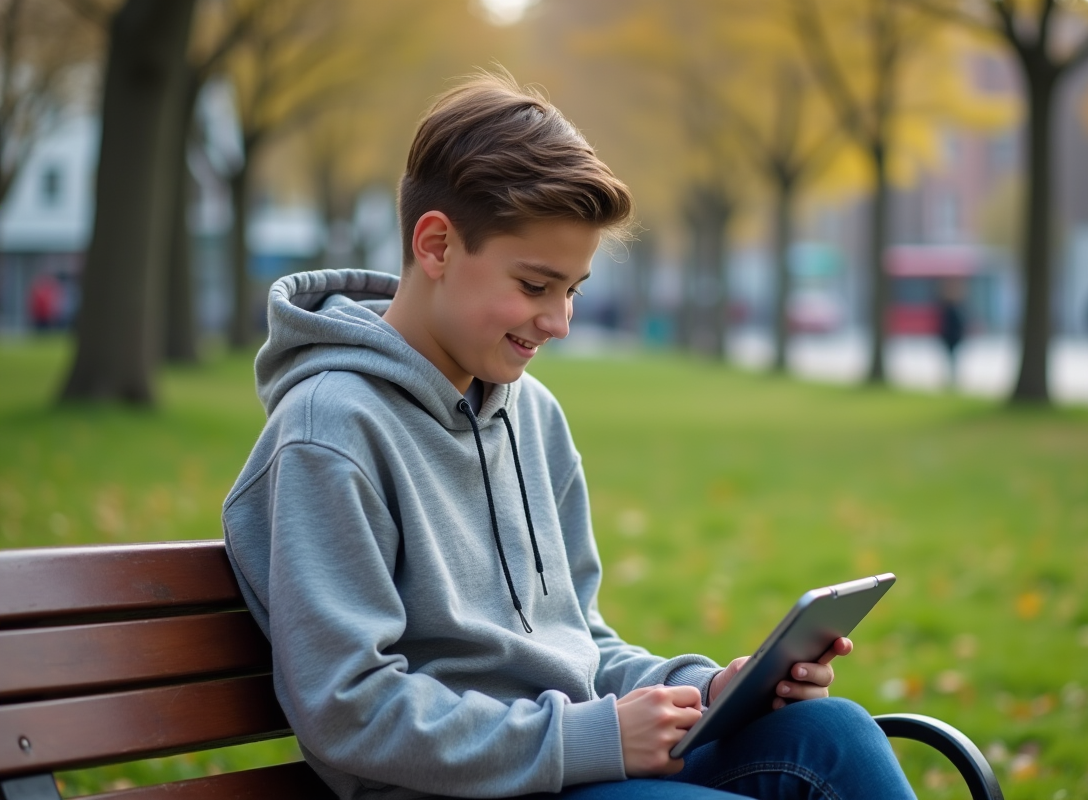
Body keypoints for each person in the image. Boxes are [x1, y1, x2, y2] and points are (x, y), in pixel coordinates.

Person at [222, 70, 916, 800]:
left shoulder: (533, 414)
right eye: (534, 286)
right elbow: (348, 710)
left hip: (569, 769)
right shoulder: (328, 431)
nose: (559, 322)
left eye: (572, 290)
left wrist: (707, 689)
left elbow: (578, 644)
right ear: (436, 246)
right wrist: (590, 738)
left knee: (834, 735)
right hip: (454, 791)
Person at [936, 279, 966, 389]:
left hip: (951, 338)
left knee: (951, 360)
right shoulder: (951, 309)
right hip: (951, 338)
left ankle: (951, 380)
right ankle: (951, 380)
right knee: (951, 360)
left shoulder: (950, 309)